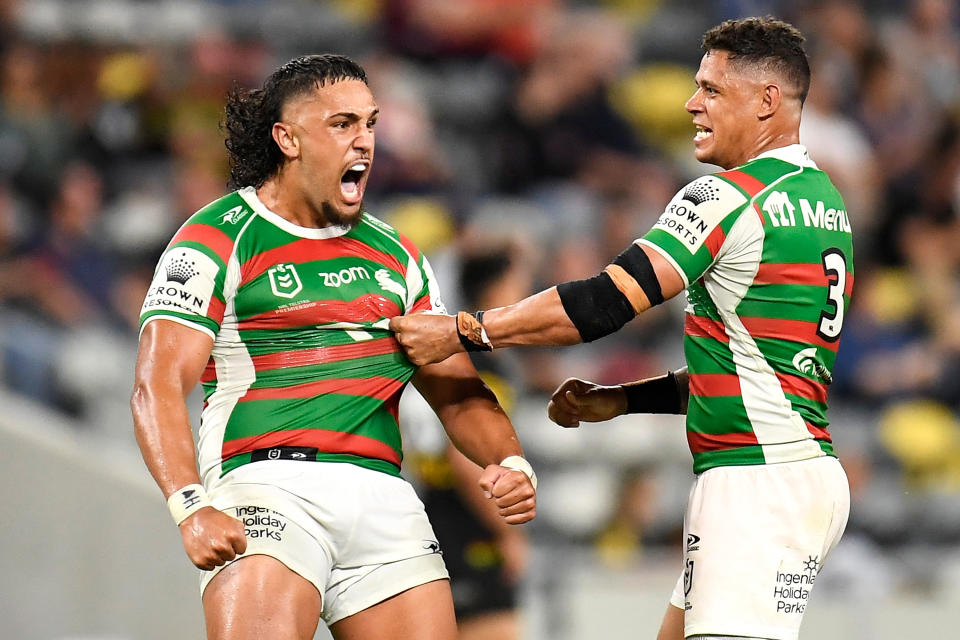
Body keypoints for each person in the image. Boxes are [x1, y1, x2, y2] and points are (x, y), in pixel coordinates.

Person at [391, 17, 852, 640]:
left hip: (754, 483)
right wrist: (624, 399)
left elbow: (605, 302)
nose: (692, 104)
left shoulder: (729, 197)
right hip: (799, 472)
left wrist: (464, 330)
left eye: (712, 89)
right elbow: (755, 372)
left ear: (767, 100)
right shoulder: (826, 203)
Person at [130, 54, 537, 640]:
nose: (365, 142)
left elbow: (455, 389)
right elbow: (158, 385)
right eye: (343, 124)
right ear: (287, 138)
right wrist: (190, 503)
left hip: (384, 498)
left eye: (370, 123)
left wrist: (510, 460)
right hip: (269, 489)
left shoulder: (396, 255)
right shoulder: (216, 237)